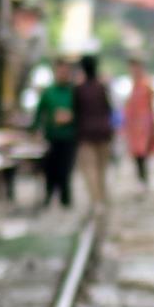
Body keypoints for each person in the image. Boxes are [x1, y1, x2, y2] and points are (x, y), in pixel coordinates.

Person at [33, 61, 79, 209]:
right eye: (60, 71)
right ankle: (49, 196)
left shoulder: (74, 92)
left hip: (69, 137)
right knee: (50, 169)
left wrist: (71, 117)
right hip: (52, 137)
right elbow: (39, 113)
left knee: (65, 169)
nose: (63, 74)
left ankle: (65, 199)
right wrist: (36, 130)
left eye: (65, 71)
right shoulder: (49, 92)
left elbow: (81, 112)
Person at [72, 55, 115, 208]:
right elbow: (109, 109)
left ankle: (96, 202)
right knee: (101, 169)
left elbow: (75, 113)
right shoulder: (102, 88)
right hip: (103, 133)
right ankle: (101, 199)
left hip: (86, 135)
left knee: (90, 169)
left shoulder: (79, 89)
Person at [122, 57, 154, 195]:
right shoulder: (133, 85)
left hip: (143, 125)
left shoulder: (146, 85)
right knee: (137, 154)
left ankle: (143, 181)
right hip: (133, 126)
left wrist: (153, 125)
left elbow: (151, 106)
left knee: (142, 153)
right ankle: (141, 180)